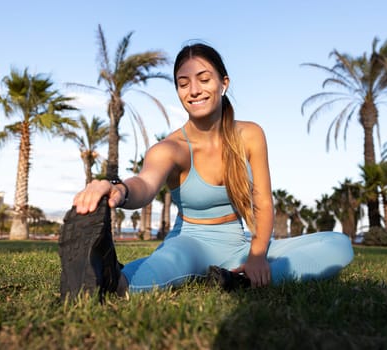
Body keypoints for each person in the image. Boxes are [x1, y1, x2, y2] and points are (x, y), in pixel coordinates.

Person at [58, 42, 354, 300]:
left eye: (203, 79)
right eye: (183, 83)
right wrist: (117, 189)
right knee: (160, 268)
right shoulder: (171, 148)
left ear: (223, 83)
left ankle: (238, 279)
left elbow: (263, 201)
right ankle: (107, 277)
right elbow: (145, 184)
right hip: (190, 242)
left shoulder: (250, 135)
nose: (194, 90)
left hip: (238, 246)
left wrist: (257, 255)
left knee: (338, 246)